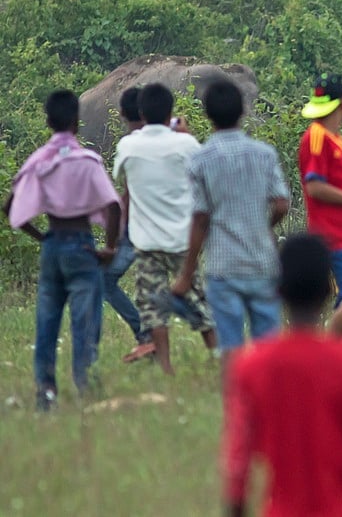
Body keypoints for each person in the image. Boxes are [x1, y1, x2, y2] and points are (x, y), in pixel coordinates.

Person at [223, 234, 342, 517]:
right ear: (328, 290)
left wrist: (236, 506)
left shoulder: (250, 366)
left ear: (278, 290)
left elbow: (238, 457)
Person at [3, 90, 121, 411]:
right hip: (82, 244)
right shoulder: (88, 161)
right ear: (76, 122)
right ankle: (86, 388)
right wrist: (110, 246)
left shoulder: (39, 160)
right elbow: (113, 206)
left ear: (48, 122)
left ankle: (46, 392)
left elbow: (9, 206)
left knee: (47, 320)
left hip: (53, 243)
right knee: (85, 321)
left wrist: (40, 236)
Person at [173, 80, 290, 376]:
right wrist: (263, 228)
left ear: (208, 115)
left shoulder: (200, 160)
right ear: (242, 112)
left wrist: (186, 273)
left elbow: (200, 218)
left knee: (232, 348)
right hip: (263, 262)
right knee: (269, 346)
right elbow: (281, 204)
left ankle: (238, 406)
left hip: (224, 267)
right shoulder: (264, 154)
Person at [114, 83, 216, 375]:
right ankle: (218, 357)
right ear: (171, 111)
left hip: (147, 242)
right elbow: (202, 168)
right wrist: (185, 136)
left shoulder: (128, 146)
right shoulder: (185, 144)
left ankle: (167, 369)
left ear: (141, 113)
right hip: (183, 239)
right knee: (199, 303)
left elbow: (121, 177)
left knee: (152, 307)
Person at [297, 74, 342, 340]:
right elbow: (314, 186)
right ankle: (323, 351)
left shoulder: (336, 138)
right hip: (333, 236)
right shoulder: (316, 137)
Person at [103, 87, 154, 363]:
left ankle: (145, 335)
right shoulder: (162, 139)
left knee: (105, 279)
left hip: (137, 226)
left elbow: (128, 190)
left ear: (122, 113)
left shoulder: (128, 144)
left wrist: (119, 224)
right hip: (163, 225)